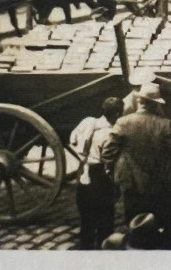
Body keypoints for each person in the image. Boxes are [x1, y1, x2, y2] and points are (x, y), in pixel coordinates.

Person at [102, 83, 171, 248]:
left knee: (134, 220)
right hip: (159, 182)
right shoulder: (165, 124)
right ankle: (169, 247)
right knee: (164, 217)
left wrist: (112, 172)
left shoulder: (122, 122)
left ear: (139, 102)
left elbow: (108, 152)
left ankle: (137, 248)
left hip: (130, 182)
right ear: (155, 104)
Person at [70, 97, 125, 249]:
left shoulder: (88, 122)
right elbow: (109, 160)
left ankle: (85, 246)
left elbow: (72, 138)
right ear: (117, 114)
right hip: (100, 175)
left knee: (86, 215)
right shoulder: (110, 134)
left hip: (83, 171)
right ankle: (104, 249)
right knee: (105, 216)